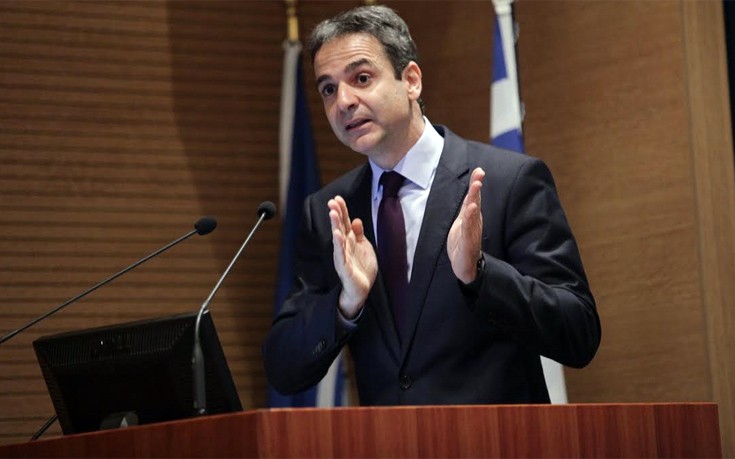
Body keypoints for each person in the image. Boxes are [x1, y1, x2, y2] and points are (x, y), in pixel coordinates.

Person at [263, 5, 600, 405]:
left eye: (362, 78)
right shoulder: (330, 212)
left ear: (411, 80)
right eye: (328, 89)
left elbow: (578, 332)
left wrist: (481, 276)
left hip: (497, 435)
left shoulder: (508, 182)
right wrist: (345, 304)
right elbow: (284, 368)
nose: (344, 102)